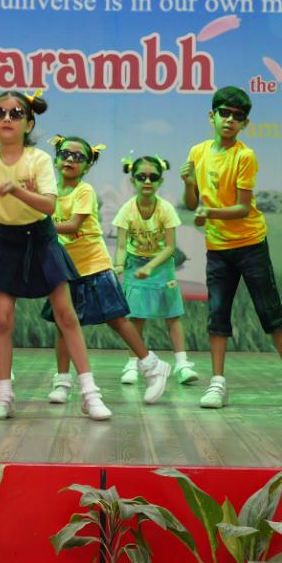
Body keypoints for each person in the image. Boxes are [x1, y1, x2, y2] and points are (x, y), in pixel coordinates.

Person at [0, 88, 111, 421]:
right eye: (0, 113)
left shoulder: (38, 159)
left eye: (16, 113)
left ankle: (90, 393)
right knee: (2, 318)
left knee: (66, 315)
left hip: (42, 240)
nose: (7, 118)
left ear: (29, 124)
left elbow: (49, 206)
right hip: (9, 242)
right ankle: (4, 396)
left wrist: (16, 190)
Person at [181, 86, 282, 410]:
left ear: (245, 123)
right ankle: (217, 383)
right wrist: (189, 184)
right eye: (224, 113)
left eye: (237, 116)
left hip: (250, 244)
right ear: (211, 116)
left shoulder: (245, 156)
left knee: (271, 312)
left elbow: (242, 208)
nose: (229, 120)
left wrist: (209, 213)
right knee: (217, 316)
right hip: (217, 248)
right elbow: (191, 203)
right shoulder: (197, 152)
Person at [43, 136, 169, 405]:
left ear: (87, 166)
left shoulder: (84, 191)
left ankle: (152, 366)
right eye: (65, 154)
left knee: (117, 319)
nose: (70, 159)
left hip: (94, 265)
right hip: (65, 268)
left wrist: (40, 226)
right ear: (56, 158)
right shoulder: (49, 193)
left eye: (79, 157)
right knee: (63, 324)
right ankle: (62, 381)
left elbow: (73, 225)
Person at [113, 155, 196, 386]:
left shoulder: (166, 209)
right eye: (141, 177)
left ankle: (182, 364)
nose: (147, 181)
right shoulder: (127, 210)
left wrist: (150, 267)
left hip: (161, 266)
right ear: (133, 180)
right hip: (135, 265)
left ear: (160, 181)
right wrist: (119, 265)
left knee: (172, 315)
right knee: (136, 317)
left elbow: (170, 248)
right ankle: (132, 364)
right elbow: (121, 246)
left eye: (153, 177)